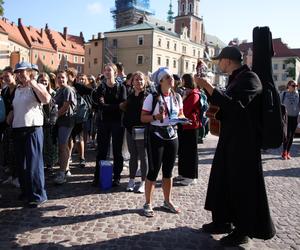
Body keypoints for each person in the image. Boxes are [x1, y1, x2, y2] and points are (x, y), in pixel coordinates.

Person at [194, 47, 275, 246]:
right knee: (222, 181)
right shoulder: (236, 79)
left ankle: (243, 230)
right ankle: (222, 222)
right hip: (229, 140)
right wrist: (215, 113)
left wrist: (209, 88)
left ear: (227, 61)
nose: (217, 63)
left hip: (244, 145)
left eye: (219, 60)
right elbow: (228, 109)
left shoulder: (250, 78)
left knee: (241, 186)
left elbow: (237, 107)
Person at [141, 67, 185, 217]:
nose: (171, 79)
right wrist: (155, 117)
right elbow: (143, 118)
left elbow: (180, 113)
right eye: (167, 77)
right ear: (160, 81)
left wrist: (182, 119)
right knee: (153, 171)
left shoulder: (177, 97)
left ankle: (167, 201)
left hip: (172, 136)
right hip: (156, 136)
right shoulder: (151, 97)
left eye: (172, 76)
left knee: (169, 171)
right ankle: (148, 203)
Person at [9, 61, 51, 207]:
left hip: (33, 129)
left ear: (30, 72)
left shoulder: (37, 86)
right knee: (22, 164)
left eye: (23, 71)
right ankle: (26, 192)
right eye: (18, 72)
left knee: (34, 164)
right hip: (18, 129)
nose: (20, 74)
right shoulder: (17, 89)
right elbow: (16, 107)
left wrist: (33, 84)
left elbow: (46, 99)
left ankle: (39, 195)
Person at [92, 63, 127, 187]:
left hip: (118, 122)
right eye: (105, 70)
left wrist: (110, 107)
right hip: (104, 122)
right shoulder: (100, 88)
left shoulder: (121, 87)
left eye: (109, 70)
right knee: (102, 151)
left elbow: (124, 106)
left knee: (117, 151)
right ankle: (97, 176)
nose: (107, 72)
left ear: (115, 73)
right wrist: (116, 106)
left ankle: (117, 176)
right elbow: (101, 106)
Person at [122, 71, 149, 193]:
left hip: (142, 129)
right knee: (133, 156)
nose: (139, 82)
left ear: (145, 82)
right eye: (136, 79)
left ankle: (143, 182)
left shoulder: (148, 96)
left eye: (141, 79)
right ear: (132, 82)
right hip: (130, 129)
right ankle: (131, 180)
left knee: (143, 156)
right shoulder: (130, 95)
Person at [52, 70, 77, 184]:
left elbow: (66, 106)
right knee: (64, 146)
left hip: (66, 121)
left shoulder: (67, 89)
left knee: (62, 147)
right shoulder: (59, 90)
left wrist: (55, 116)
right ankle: (65, 169)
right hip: (61, 121)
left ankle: (62, 173)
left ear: (67, 78)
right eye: (58, 77)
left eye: (63, 77)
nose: (60, 79)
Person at [177, 73, 201, 186]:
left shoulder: (194, 94)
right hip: (184, 125)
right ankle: (183, 173)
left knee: (190, 152)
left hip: (191, 126)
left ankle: (191, 176)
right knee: (183, 151)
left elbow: (185, 110)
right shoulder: (188, 93)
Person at [38, 72, 58, 172]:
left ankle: (50, 164)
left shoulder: (53, 93)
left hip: (50, 121)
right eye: (41, 80)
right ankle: (41, 162)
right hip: (39, 122)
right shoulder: (35, 92)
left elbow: (55, 107)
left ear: (49, 82)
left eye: (45, 81)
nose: (44, 82)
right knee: (41, 144)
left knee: (50, 144)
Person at [280, 80, 300, 160]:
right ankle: (284, 152)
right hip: (286, 118)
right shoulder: (284, 94)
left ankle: (287, 152)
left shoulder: (298, 94)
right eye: (293, 85)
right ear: (288, 86)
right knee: (287, 136)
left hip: (294, 117)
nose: (295, 87)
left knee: (292, 136)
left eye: (296, 85)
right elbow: (280, 105)